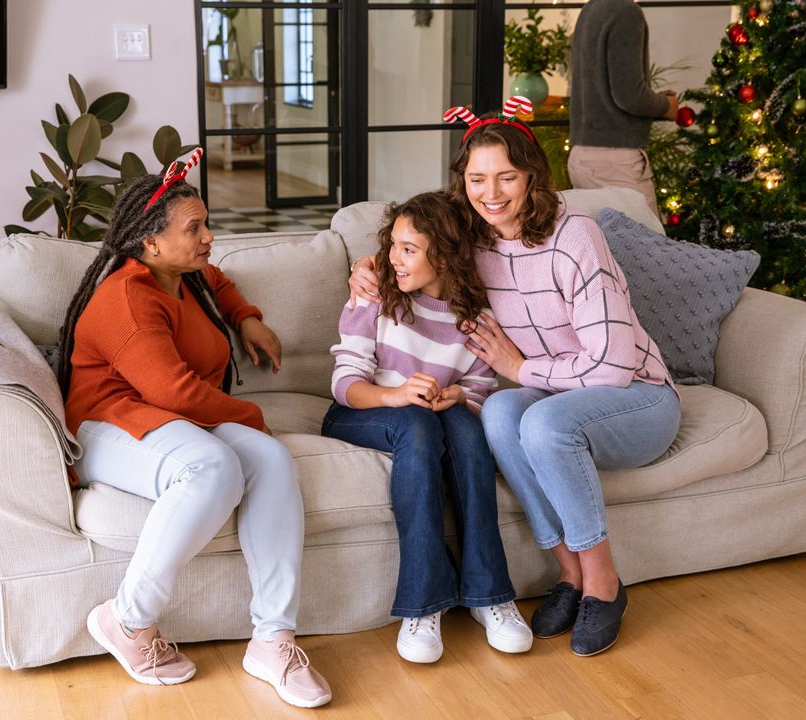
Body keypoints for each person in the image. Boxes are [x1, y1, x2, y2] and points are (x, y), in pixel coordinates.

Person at [350, 98, 681, 656]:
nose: (492, 192)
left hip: (639, 398)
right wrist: (371, 265)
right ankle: (569, 575)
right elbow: (415, 245)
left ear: (533, 175)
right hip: (555, 392)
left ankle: (604, 583)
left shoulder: (575, 237)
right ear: (464, 183)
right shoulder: (474, 239)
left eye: (507, 176)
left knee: (543, 420)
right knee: (501, 411)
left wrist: (519, 368)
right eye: (478, 178)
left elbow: (615, 365)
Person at [57, 149, 331, 708]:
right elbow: (175, 392)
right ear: (150, 242)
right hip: (109, 424)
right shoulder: (128, 300)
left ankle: (273, 639)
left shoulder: (183, 274)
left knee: (272, 461)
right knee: (214, 466)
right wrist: (254, 418)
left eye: (206, 222)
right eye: (195, 228)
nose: (209, 236)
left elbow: (218, 279)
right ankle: (127, 620)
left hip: (171, 420)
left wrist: (246, 317)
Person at [323, 191, 532, 664]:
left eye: (409, 248)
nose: (395, 257)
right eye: (393, 244)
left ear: (445, 252)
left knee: (462, 424)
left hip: (430, 417)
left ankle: (489, 594)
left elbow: (479, 386)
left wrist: (459, 394)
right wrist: (395, 396)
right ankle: (423, 605)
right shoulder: (375, 290)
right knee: (418, 423)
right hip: (361, 412)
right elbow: (345, 381)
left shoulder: (476, 316)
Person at [567, 0, 679, 219]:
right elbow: (630, 96)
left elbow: (608, 88)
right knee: (651, 248)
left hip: (585, 157)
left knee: (607, 251)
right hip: (614, 162)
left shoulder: (591, 8)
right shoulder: (625, 11)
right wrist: (667, 107)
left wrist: (654, 100)